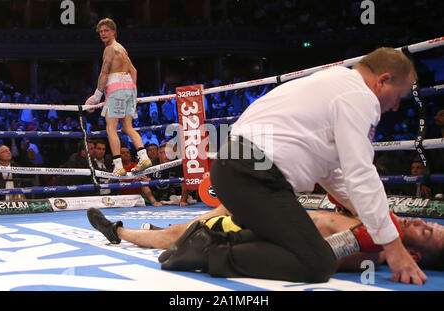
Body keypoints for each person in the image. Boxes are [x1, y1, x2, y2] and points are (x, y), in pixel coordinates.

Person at [158, 47, 428, 285]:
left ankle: (202, 241)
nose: (394, 107)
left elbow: (334, 174)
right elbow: (360, 174)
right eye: (398, 96)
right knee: (316, 262)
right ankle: (208, 252)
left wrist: (380, 221)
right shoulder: (360, 97)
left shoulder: (334, 83)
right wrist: (393, 246)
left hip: (237, 169)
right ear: (383, 81)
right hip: (253, 174)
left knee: (291, 241)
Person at [87, 204, 444, 272]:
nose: (417, 219)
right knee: (199, 219)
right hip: (270, 211)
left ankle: (117, 231)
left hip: (262, 229)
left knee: (183, 235)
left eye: (425, 230)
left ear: (412, 250)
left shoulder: (370, 252)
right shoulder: (379, 221)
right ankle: (149, 233)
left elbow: (319, 255)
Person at [84, 18, 152, 176]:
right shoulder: (122, 49)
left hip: (116, 89)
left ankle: (118, 166)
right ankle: (143, 157)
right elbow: (133, 71)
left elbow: (104, 74)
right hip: (129, 89)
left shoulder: (109, 49)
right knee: (128, 127)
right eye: (101, 32)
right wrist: (130, 90)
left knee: (111, 128)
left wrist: (96, 96)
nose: (103, 34)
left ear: (114, 32)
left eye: (106, 30)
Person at [141, 142, 195, 207]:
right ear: (158, 154)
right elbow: (144, 185)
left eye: (170, 153)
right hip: (151, 198)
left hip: (169, 198)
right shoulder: (151, 165)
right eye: (163, 153)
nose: (167, 155)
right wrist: (154, 202)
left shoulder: (178, 164)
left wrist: (183, 200)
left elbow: (184, 184)